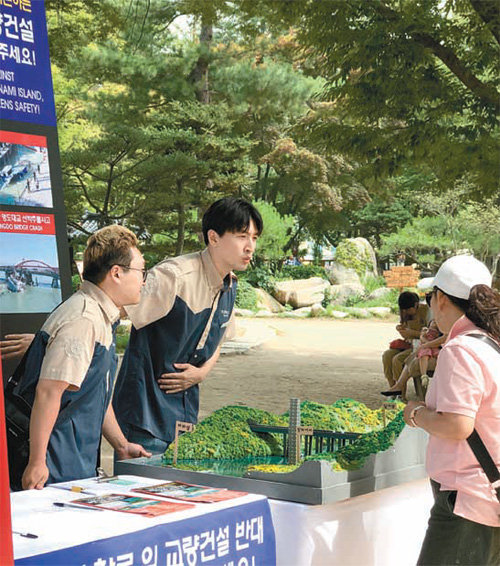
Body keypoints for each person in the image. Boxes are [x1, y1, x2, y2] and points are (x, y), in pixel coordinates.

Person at [112, 197, 263, 455]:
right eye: (241, 236)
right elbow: (112, 308)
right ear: (213, 237)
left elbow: (221, 336)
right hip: (143, 417)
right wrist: (56, 336)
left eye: (255, 238)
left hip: (184, 418)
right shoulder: (175, 276)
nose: (250, 247)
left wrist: (201, 373)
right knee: (140, 495)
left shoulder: (230, 284)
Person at [8, 225, 151, 490]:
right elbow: (49, 393)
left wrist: (121, 445)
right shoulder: (83, 319)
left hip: (72, 461)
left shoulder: (101, 315)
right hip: (52, 465)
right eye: (142, 271)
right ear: (116, 273)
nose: (144, 280)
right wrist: (38, 462)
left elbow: (95, 391)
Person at [403, 255, 500, 565]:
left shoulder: (461, 349)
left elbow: (459, 425)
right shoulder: (490, 344)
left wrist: (416, 414)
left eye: (430, 299)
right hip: (490, 494)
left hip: (467, 499)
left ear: (441, 298)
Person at [381, 319, 446, 400]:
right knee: (388, 355)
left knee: (401, 359)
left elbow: (442, 339)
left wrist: (418, 337)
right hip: (416, 346)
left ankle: (400, 391)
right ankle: (395, 388)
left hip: (433, 351)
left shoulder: (442, 325)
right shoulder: (408, 319)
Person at [382, 291, 429, 387]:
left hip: (421, 347)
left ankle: (400, 393)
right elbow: (406, 334)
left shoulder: (426, 312)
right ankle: (392, 387)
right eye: (403, 310)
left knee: (397, 360)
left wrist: (412, 333)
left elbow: (431, 335)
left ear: (416, 305)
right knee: (387, 355)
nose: (405, 312)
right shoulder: (405, 313)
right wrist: (402, 330)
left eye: (408, 310)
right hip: (409, 344)